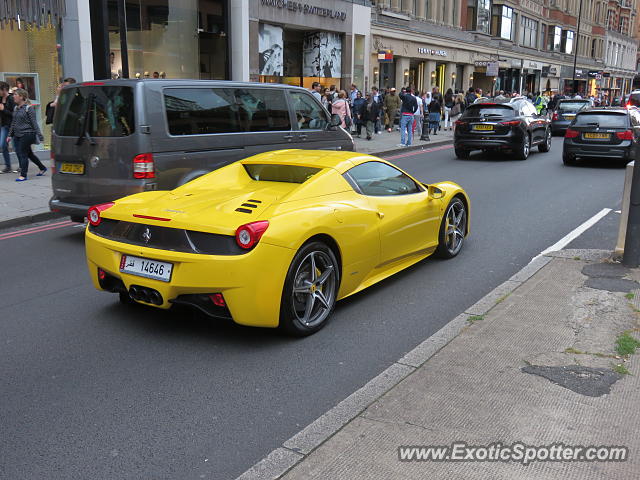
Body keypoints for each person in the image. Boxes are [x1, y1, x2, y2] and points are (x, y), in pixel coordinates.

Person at [7, 88, 46, 181]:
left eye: (15, 94)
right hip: (17, 135)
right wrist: (9, 135)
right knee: (29, 154)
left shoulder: (29, 108)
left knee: (22, 154)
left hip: (27, 134)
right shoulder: (16, 108)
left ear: (21, 97)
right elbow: (13, 123)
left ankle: (23, 175)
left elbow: (34, 123)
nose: (13, 96)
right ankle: (42, 168)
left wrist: (40, 135)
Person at [0, 81, 16, 173]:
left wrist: (3, 110)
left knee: (16, 147)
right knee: (3, 145)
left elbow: (14, 114)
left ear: (4, 89)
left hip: (12, 126)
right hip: (4, 126)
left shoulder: (11, 98)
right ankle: (8, 166)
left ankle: (22, 166)